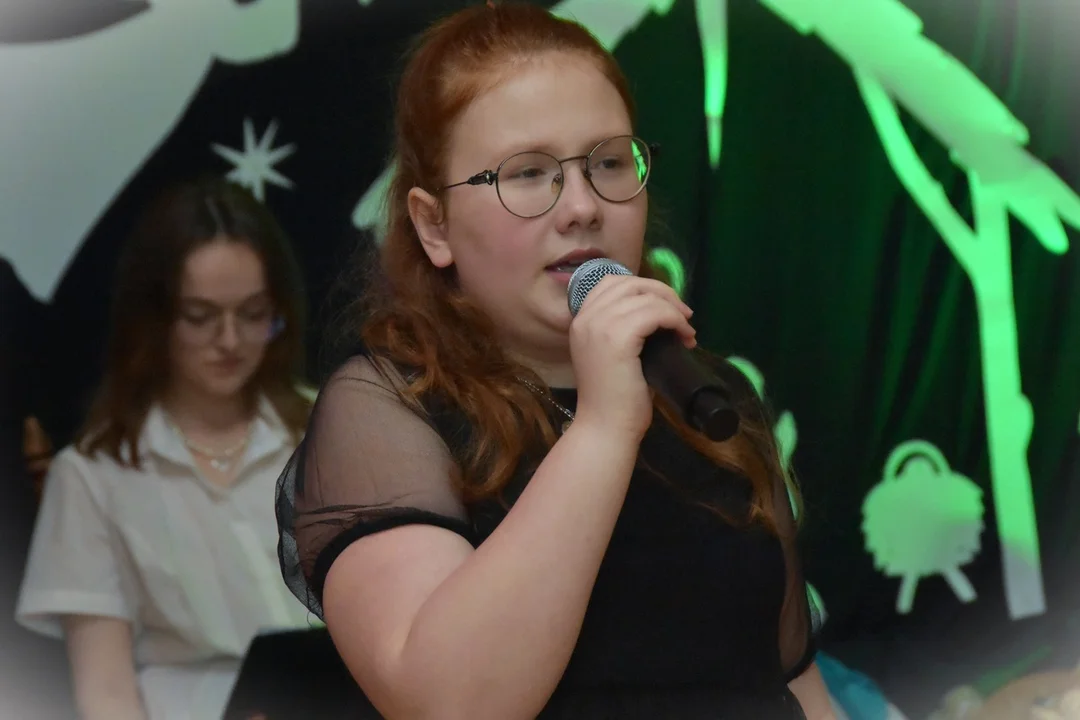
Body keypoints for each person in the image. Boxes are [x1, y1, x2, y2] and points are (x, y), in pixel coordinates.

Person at [276, 3, 836, 718]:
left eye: (608, 163)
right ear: (434, 224)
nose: (582, 206)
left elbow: (790, 680)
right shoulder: (389, 405)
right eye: (529, 173)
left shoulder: (703, 391)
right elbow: (452, 703)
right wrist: (603, 428)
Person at [17, 178, 315, 720]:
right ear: (154, 319)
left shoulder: (331, 428)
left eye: (253, 313)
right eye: (201, 317)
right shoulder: (93, 475)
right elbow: (105, 694)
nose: (230, 340)